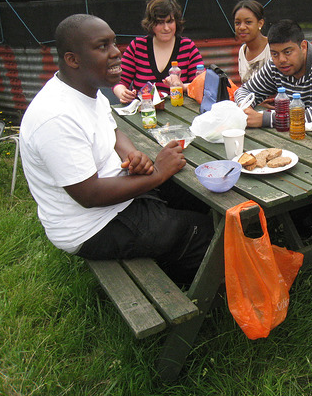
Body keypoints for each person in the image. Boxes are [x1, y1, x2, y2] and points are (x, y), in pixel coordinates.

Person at [20, 14, 212, 285]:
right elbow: (88, 194)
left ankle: (176, 257)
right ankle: (190, 289)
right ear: (73, 59)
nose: (116, 53)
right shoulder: (56, 117)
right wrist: (157, 174)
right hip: (92, 226)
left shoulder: (87, 90)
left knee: (196, 194)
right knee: (203, 231)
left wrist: (131, 154)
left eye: (113, 43)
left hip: (115, 201)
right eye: (102, 47)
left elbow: (112, 130)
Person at [233, 19, 312, 128]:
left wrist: (264, 119)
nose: (281, 60)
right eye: (274, 53)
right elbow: (244, 91)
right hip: (299, 136)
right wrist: (245, 108)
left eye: (288, 52)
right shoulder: (274, 65)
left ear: (303, 46)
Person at [113, 0, 204, 103]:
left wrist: (180, 86)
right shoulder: (137, 46)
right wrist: (123, 93)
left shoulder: (188, 47)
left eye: (170, 21)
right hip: (145, 111)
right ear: (151, 24)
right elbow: (119, 81)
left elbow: (202, 84)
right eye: (160, 23)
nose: (166, 28)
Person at [232, 0, 271, 84]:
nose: (242, 27)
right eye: (237, 23)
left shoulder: (272, 48)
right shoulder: (242, 51)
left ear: (260, 23)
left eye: (248, 22)